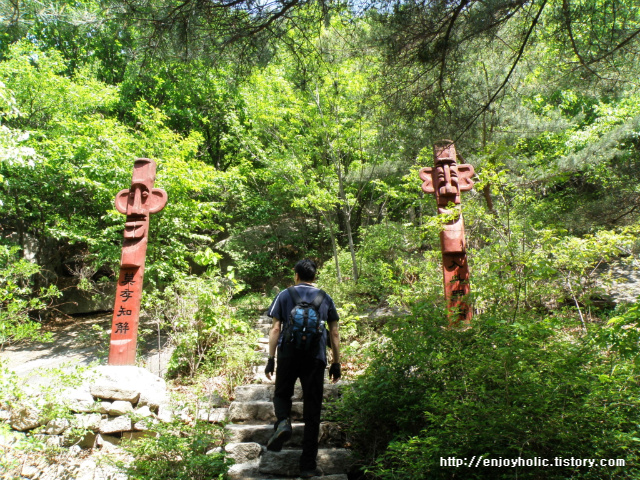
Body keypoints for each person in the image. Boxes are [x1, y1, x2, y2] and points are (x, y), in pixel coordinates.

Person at [264, 258, 341, 479]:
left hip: (288, 355)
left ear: (296, 275)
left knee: (282, 394)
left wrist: (271, 359)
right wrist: (336, 362)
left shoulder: (285, 295)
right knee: (313, 409)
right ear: (314, 276)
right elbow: (334, 333)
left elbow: (276, 328)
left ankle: (283, 422)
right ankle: (308, 465)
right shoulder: (325, 297)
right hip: (315, 358)